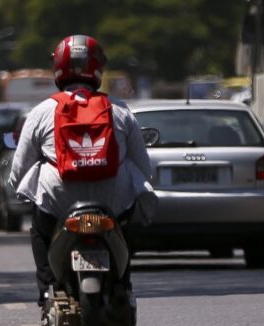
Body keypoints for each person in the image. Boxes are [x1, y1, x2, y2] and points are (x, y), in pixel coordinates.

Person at [8, 34, 156, 308]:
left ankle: (47, 290)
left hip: (58, 203)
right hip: (113, 204)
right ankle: (123, 285)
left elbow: (19, 170)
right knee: (128, 226)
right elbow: (143, 168)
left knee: (39, 230)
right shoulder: (120, 110)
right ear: (98, 68)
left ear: (58, 67)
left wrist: (22, 190)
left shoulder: (42, 111)